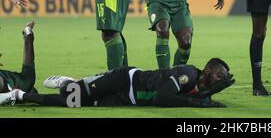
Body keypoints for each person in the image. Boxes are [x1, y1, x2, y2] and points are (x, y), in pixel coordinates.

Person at [0, 58, 234, 108]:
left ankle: (20, 96)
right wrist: (204, 102)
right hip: (126, 79)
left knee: (72, 103)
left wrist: (208, 95)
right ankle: (18, 95)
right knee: (71, 96)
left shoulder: (201, 87)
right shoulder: (187, 74)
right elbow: (163, 98)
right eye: (219, 76)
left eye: (221, 80)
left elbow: (187, 98)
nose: (219, 80)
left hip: (127, 99)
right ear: (207, 70)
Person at [0, 21, 36, 94]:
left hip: (7, 82)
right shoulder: (24, 86)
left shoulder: (24, 84)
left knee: (28, 80)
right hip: (8, 83)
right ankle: (28, 35)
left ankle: (28, 35)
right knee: (27, 81)